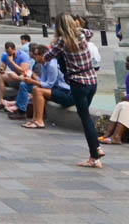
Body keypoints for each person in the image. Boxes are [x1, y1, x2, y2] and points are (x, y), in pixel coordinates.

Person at [43, 12, 103, 168]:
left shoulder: (62, 41)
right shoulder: (81, 34)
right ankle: (97, 147)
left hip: (78, 83)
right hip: (92, 81)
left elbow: (47, 57)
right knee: (86, 116)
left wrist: (53, 45)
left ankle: (94, 157)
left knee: (85, 119)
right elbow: (91, 32)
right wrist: (79, 28)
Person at [22, 44, 72, 128]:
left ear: (42, 55)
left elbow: (49, 85)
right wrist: (34, 77)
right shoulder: (43, 65)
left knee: (37, 90)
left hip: (66, 93)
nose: (34, 57)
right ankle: (34, 119)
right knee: (35, 88)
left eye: (36, 55)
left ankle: (40, 121)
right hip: (56, 89)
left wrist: (33, 81)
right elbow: (43, 81)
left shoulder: (52, 65)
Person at [0, 42, 33, 113]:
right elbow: (2, 67)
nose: (10, 54)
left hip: (24, 75)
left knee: (22, 78)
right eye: (8, 52)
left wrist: (11, 62)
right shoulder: (5, 55)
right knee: (0, 77)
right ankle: (0, 101)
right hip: (13, 75)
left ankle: (17, 105)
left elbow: (23, 71)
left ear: (14, 49)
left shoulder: (23, 56)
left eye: (11, 52)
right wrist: (1, 69)